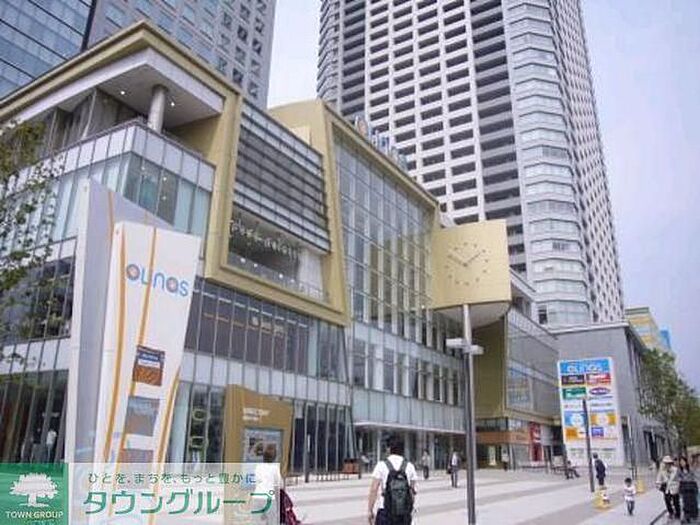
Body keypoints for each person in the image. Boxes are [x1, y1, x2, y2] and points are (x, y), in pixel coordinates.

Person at [367, 436, 417, 525]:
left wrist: (370, 510)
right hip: (403, 513)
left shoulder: (381, 465)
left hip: (385, 510)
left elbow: (374, 489)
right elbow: (412, 492)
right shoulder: (410, 466)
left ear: (389, 449)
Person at [254, 444, 284, 524]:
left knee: (258, 521)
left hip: (257, 497)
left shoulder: (258, 467)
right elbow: (280, 484)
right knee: (272, 520)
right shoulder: (274, 468)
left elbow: (256, 480)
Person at [656, 455, 681, 521]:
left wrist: (678, 485)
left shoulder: (675, 470)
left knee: (676, 502)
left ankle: (678, 514)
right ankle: (671, 512)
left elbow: (679, 478)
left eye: (668, 463)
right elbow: (658, 479)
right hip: (666, 488)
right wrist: (659, 485)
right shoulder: (662, 470)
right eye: (665, 463)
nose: (667, 465)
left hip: (675, 488)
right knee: (667, 501)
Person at [678, 456, 698, 523]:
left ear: (686, 462)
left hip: (691, 487)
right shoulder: (679, 471)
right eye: (681, 462)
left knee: (693, 502)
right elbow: (679, 479)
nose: (682, 463)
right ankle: (687, 516)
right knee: (686, 503)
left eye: (683, 461)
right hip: (684, 488)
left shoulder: (690, 469)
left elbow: (694, 478)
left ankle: (694, 515)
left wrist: (687, 479)